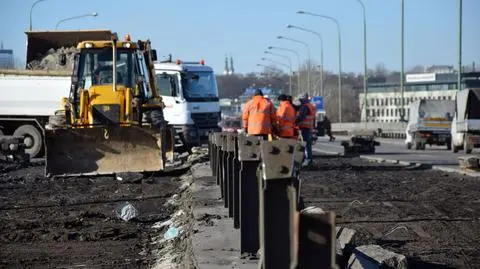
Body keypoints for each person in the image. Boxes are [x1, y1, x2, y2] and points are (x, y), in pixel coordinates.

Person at [296, 93, 316, 166]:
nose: (300, 101)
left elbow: (301, 117)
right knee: (308, 145)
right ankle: (309, 159)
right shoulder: (310, 106)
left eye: (301, 100)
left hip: (304, 128)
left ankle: (308, 160)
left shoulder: (304, 107)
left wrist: (294, 121)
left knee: (305, 145)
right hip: (309, 127)